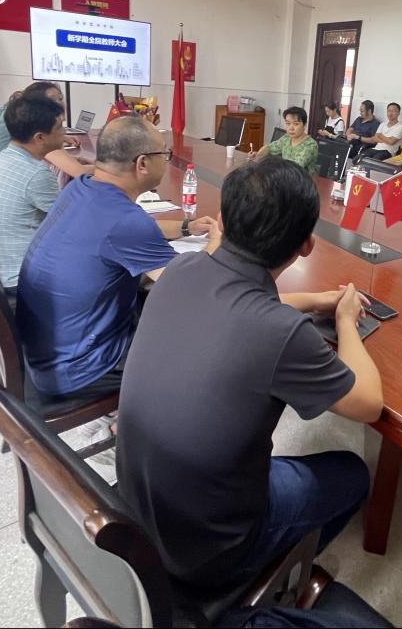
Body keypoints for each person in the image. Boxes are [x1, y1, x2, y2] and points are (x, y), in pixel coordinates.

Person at [117, 158, 382, 588]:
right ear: (307, 245)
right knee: (352, 473)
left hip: (136, 503)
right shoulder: (282, 331)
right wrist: (347, 320)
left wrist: (314, 299)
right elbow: (369, 405)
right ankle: (269, 578)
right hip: (207, 549)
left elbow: (241, 304)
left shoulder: (181, 269)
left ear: (222, 221)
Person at [17, 116, 217, 401]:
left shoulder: (82, 186)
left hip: (47, 349)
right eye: (164, 154)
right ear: (143, 163)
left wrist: (186, 227)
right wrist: (218, 240)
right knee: (203, 330)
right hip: (81, 369)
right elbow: (191, 285)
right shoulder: (125, 221)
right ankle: (136, 413)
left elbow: (123, 231)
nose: (166, 160)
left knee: (151, 294)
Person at [0, 95, 66, 290]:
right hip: (21, 280)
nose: (64, 132)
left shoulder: (3, 158)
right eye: (60, 127)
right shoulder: (36, 173)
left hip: (0, 268)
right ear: (40, 137)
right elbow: (71, 224)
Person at [0, 80, 92, 179]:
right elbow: (78, 172)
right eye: (52, 100)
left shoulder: (13, 111)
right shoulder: (34, 124)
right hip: (10, 176)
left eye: (60, 98)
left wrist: (61, 136)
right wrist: (100, 168)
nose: (59, 104)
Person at [252, 107, 319, 174]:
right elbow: (269, 147)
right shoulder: (286, 138)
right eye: (288, 123)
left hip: (304, 178)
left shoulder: (310, 144)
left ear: (304, 125)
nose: (291, 128)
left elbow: (296, 165)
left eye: (296, 124)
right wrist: (257, 155)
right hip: (286, 175)